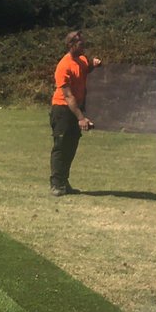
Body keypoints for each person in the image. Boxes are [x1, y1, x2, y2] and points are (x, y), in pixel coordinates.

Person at [48, 30, 99, 197]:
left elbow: (85, 70)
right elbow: (68, 96)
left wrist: (93, 65)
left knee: (71, 147)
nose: (84, 46)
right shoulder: (63, 66)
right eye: (80, 44)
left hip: (75, 108)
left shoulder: (82, 60)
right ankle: (56, 184)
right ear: (71, 45)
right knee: (61, 147)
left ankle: (64, 181)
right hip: (62, 110)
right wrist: (81, 118)